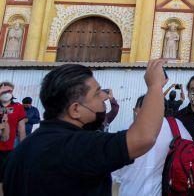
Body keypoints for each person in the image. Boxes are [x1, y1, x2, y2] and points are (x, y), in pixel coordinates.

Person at [2, 59, 167, 196]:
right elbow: (143, 138)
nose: (103, 96)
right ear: (75, 110)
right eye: (96, 93)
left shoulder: (23, 149)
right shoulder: (76, 145)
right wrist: (155, 86)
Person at [112, 92, 194, 196]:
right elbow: (191, 156)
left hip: (130, 191)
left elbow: (115, 172)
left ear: (137, 110)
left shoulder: (125, 131)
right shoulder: (176, 126)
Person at [0, 81, 27, 181]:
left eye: (10, 91)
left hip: (8, 148)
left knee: (4, 177)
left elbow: (21, 129)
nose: (7, 93)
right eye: (4, 91)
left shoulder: (18, 107)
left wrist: (23, 148)